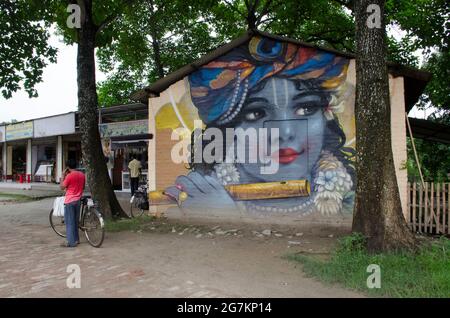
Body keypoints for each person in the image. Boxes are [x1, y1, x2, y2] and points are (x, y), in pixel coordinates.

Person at [166, 36, 355, 217]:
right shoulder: (194, 196)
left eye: (306, 108)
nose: (285, 133)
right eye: (256, 113)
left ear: (326, 117)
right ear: (228, 129)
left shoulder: (354, 206)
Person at [60, 159, 85, 247]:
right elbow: (83, 187)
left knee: (69, 222)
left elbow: (62, 187)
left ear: (67, 167)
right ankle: (76, 239)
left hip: (70, 201)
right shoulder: (82, 174)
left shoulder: (69, 176)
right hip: (78, 200)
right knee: (75, 221)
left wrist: (63, 176)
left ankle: (71, 242)